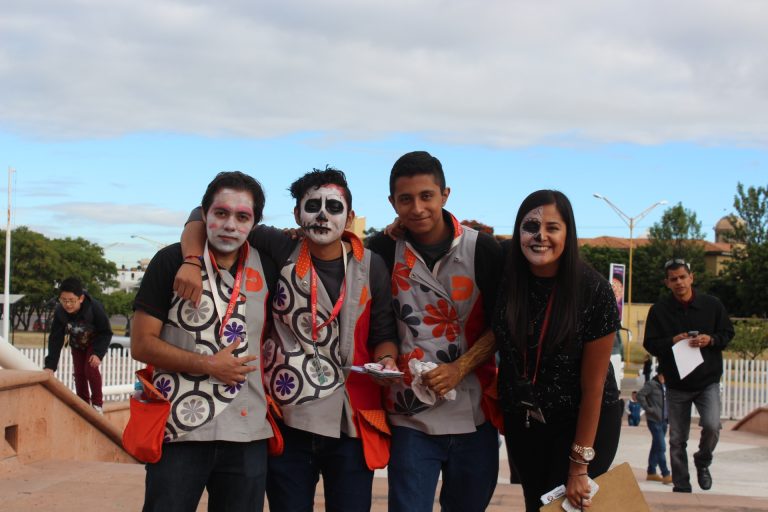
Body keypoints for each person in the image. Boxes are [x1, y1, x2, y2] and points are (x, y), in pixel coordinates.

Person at [176, 167, 398, 511]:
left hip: (351, 420)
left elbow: (383, 333)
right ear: (296, 214)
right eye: (312, 206)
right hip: (290, 419)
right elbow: (200, 214)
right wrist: (192, 260)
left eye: (334, 208)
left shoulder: (372, 265)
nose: (322, 216)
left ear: (350, 218)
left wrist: (386, 360)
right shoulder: (280, 248)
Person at [131, 171, 277, 511]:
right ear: (204, 214)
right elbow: (141, 344)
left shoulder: (268, 266)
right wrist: (208, 364)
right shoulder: (172, 261)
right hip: (180, 430)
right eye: (220, 213)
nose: (230, 225)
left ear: (254, 223)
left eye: (242, 217)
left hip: (247, 432)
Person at [366, 151, 502, 512]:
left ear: (445, 194)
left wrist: (460, 367)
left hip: (474, 412)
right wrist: (384, 361)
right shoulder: (381, 249)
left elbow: (504, 325)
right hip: (410, 417)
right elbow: (378, 321)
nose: (417, 208)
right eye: (405, 199)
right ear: (392, 203)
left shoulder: (482, 249)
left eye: (426, 196)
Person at [492, 190, 622, 511]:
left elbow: (594, 387)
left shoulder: (593, 290)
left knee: (564, 507)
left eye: (552, 227)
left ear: (568, 233)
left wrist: (579, 466)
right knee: (537, 506)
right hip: (526, 421)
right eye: (531, 226)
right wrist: (397, 231)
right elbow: (452, 234)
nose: (541, 236)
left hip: (582, 422)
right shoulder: (504, 273)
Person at [643, 258, 734, 493]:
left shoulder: (712, 305)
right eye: (673, 279)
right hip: (676, 383)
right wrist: (672, 341)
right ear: (667, 282)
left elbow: (727, 333)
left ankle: (703, 461)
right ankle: (681, 486)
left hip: (707, 381)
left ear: (691, 278)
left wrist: (710, 339)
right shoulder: (659, 310)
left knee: (712, 426)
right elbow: (650, 344)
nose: (679, 282)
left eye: (683, 277)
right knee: (677, 439)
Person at [44, 277, 113, 414]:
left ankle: (97, 405)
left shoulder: (94, 307)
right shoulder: (60, 312)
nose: (68, 305)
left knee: (90, 369)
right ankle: (83, 405)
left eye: (71, 300)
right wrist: (50, 366)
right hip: (77, 343)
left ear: (80, 298)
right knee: (79, 374)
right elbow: (55, 339)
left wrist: (98, 354)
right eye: (64, 300)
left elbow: (106, 332)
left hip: (94, 342)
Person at [637, 367, 672, 484]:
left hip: (664, 421)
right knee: (661, 447)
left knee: (656, 445)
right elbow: (640, 395)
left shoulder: (667, 385)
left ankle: (651, 472)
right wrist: (648, 409)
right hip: (654, 420)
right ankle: (665, 473)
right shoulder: (652, 384)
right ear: (659, 374)